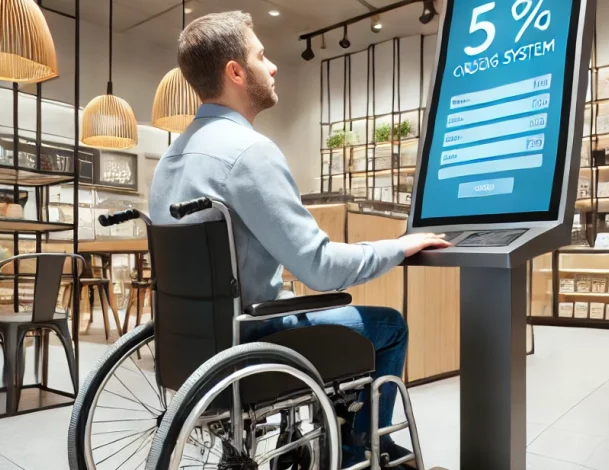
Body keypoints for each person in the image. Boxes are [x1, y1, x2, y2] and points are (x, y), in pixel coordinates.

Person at [148, 10, 449, 468]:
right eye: (261, 55)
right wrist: (401, 246)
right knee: (388, 325)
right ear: (235, 71)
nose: (272, 66)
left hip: (190, 346)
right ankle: (357, 449)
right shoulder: (250, 153)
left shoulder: (169, 160)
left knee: (299, 302)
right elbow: (320, 267)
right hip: (252, 342)